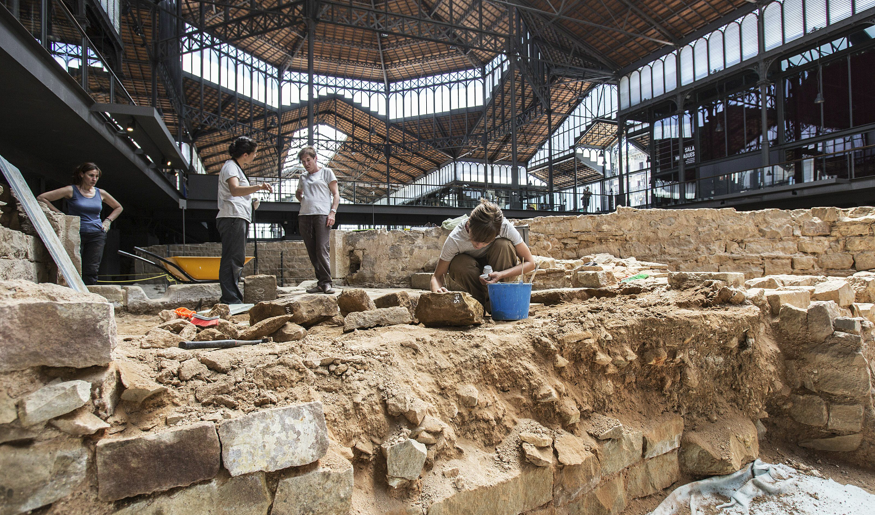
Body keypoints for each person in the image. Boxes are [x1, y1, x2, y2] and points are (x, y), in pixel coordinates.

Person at [430, 199, 535, 308]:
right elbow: (437, 276)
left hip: (499, 267)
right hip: (473, 271)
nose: (479, 245)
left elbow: (530, 263)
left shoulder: (505, 227)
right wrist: (438, 292)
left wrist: (502, 274)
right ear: (469, 223)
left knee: (503, 245)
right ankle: (482, 304)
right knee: (458, 263)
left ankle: (501, 299)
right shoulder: (455, 239)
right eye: (475, 240)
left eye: (485, 242)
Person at [37, 162, 123, 285]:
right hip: (76, 232)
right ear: (82, 174)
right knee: (73, 264)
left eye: (97, 176)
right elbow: (42, 198)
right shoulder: (71, 190)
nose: (94, 179)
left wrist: (108, 221)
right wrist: (60, 214)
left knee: (92, 268)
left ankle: (90, 294)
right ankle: (71, 291)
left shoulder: (100, 193)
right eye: (91, 175)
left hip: (97, 234)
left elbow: (118, 207)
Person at [216, 136, 273, 304]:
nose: (255, 156)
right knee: (232, 258)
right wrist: (259, 187)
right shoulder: (231, 167)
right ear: (246, 154)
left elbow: (237, 194)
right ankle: (230, 298)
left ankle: (232, 296)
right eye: (254, 153)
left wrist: (250, 203)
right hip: (232, 217)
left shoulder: (236, 168)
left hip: (238, 216)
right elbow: (234, 190)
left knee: (236, 258)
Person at [296, 146, 340, 294]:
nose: (306, 164)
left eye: (308, 160)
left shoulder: (326, 172)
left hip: (322, 214)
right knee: (312, 251)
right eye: (303, 161)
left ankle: (327, 282)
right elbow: (298, 193)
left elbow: (336, 194)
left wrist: (332, 212)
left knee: (322, 248)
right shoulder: (303, 177)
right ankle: (320, 283)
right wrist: (304, 202)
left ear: (315, 158)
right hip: (304, 216)